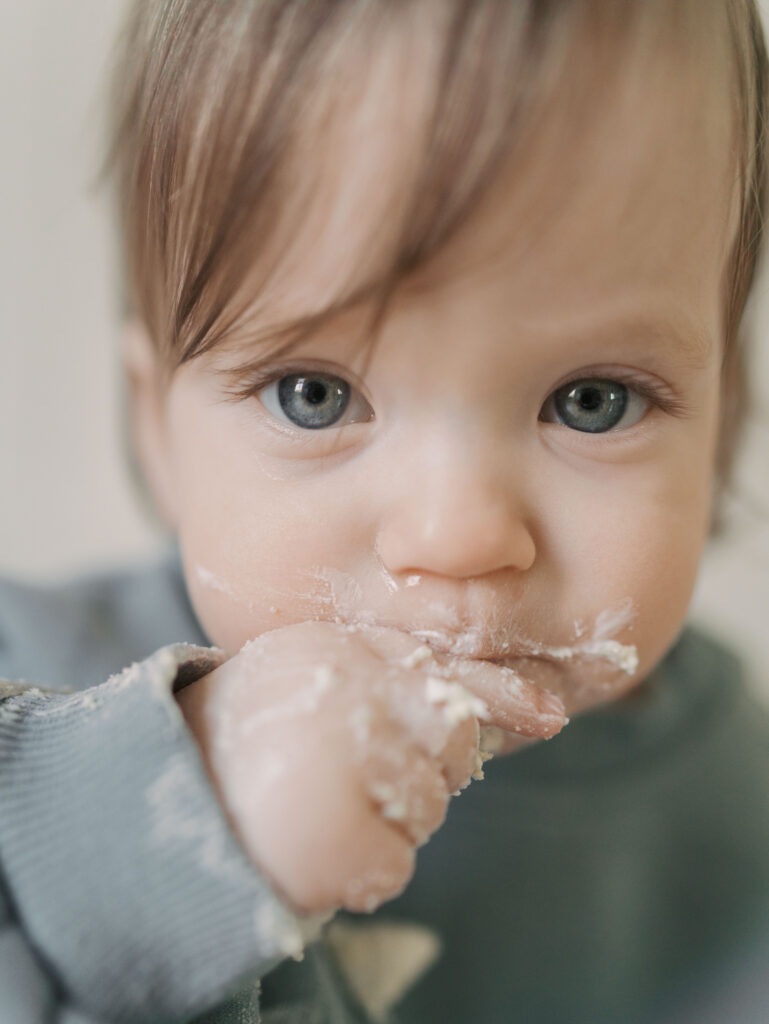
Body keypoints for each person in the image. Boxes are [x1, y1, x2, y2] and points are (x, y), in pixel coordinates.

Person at [1, 1, 768, 1021]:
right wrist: (179, 816)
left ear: (723, 423)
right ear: (158, 427)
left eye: (593, 401)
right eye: (313, 395)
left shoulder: (736, 807)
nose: (458, 537)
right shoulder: (31, 689)